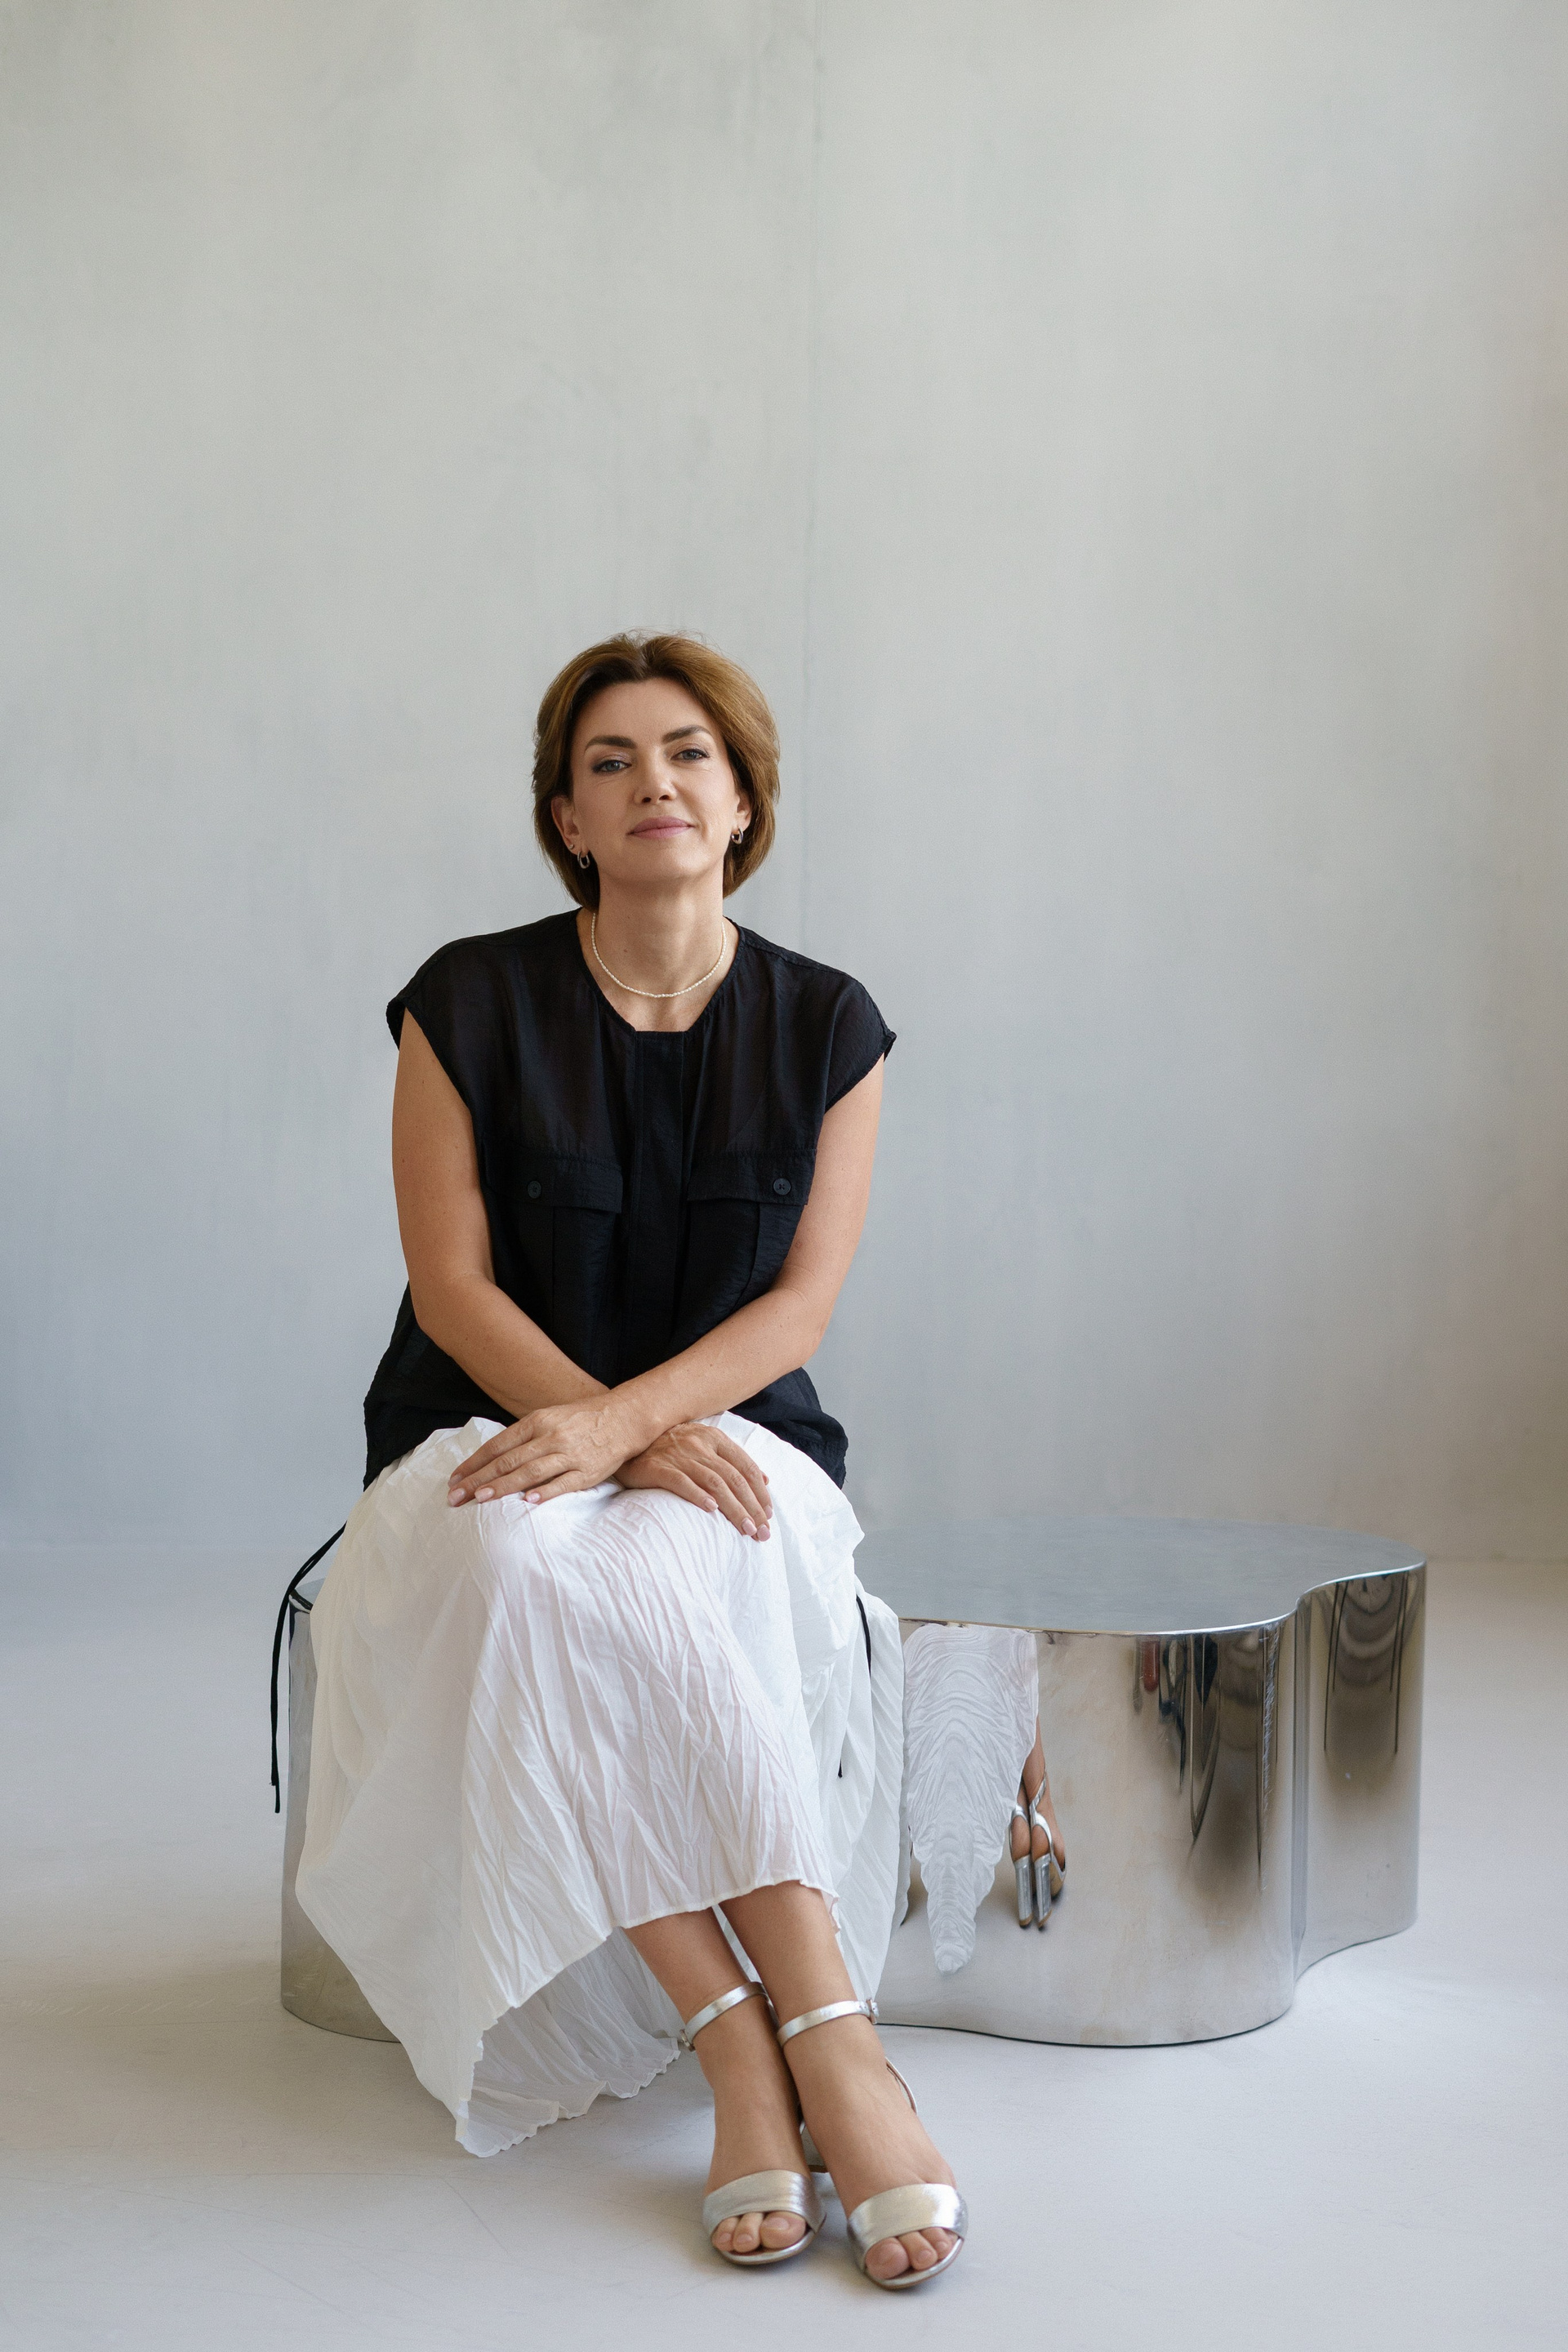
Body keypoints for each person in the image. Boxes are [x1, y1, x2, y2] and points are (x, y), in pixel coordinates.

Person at [296, 633, 965, 2287]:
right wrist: (601, 1431)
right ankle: (775, 2043)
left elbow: (799, 1306)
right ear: (568, 820)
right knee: (522, 1561)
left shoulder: (830, 1025)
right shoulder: (467, 1001)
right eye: (610, 763)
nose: (652, 782)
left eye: (687, 755)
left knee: (667, 1562)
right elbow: (452, 1286)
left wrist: (647, 1430)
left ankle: (802, 2033)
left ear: (742, 804)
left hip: (738, 1438)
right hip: (486, 1422)